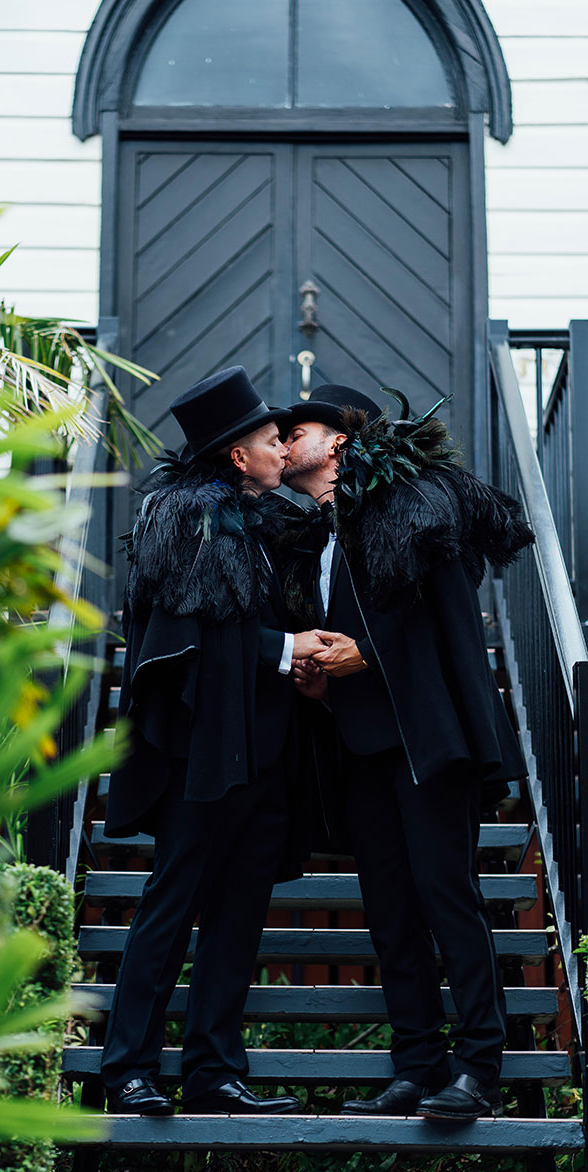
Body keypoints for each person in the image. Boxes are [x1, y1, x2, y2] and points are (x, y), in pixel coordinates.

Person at [278, 383, 533, 1123]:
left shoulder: (411, 510)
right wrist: (318, 675)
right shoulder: (315, 538)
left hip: (427, 740)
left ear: (341, 442)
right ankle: (416, 1066)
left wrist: (370, 656)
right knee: (389, 913)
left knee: (445, 896)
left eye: (301, 429)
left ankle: (479, 1067)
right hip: (359, 747)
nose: (286, 440)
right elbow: (339, 639)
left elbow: (436, 621)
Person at [100, 366, 324, 1116]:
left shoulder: (264, 524)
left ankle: (212, 1071)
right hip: (203, 754)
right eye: (270, 440)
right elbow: (207, 632)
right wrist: (290, 650)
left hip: (263, 751)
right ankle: (129, 1069)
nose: (281, 450)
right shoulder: (193, 520)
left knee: (238, 913)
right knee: (172, 906)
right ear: (237, 456)